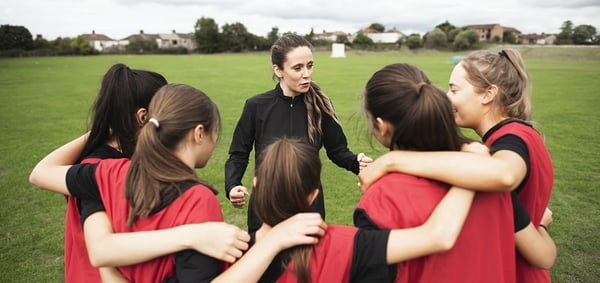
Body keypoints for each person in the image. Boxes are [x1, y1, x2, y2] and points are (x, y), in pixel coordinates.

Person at [30, 84, 326, 282]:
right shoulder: (197, 200)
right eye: (213, 133)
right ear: (199, 133)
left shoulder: (106, 172)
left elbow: (42, 172)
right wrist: (272, 242)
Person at [358, 50, 555, 282]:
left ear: (489, 94)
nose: (446, 98)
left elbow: (504, 175)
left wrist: (392, 160)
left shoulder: (505, 146)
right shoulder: (493, 151)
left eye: (454, 90)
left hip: (514, 268)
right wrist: (536, 224)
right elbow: (545, 254)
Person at [251, 138, 477, 282]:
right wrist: (473, 171)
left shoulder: (228, 251)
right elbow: (438, 236)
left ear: (255, 184)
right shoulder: (346, 245)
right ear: (313, 195)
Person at [225, 34, 372, 234]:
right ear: (278, 70)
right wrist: (233, 185)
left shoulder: (321, 106)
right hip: (265, 210)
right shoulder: (256, 106)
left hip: (309, 209)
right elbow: (238, 154)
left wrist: (357, 163)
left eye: (310, 65)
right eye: (298, 68)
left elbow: (337, 150)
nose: (307, 74)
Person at [64, 63, 167, 282]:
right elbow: (103, 251)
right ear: (142, 117)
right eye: (167, 112)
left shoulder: (128, 158)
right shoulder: (97, 168)